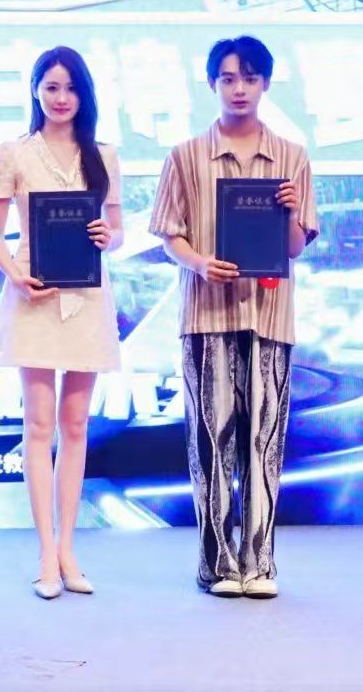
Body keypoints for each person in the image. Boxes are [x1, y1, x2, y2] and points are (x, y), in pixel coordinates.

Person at [149, 35, 318, 600]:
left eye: (249, 78)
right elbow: (169, 235)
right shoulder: (184, 156)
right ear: (212, 85)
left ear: (265, 83)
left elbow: (294, 247)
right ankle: (218, 563)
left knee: (264, 443)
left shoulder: (293, 157)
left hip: (269, 318)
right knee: (211, 440)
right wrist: (200, 263)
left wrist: (290, 213)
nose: (238, 88)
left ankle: (260, 562)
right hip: (207, 316)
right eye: (227, 78)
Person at [0, 47, 122, 599]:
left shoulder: (103, 155)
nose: (61, 98)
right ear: (36, 91)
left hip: (87, 297)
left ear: (84, 95)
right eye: (51, 88)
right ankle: (45, 551)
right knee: (39, 426)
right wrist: (15, 274)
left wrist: (108, 237)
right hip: (34, 295)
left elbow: (117, 228)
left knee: (76, 425)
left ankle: (69, 548)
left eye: (70, 88)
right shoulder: (14, 153)